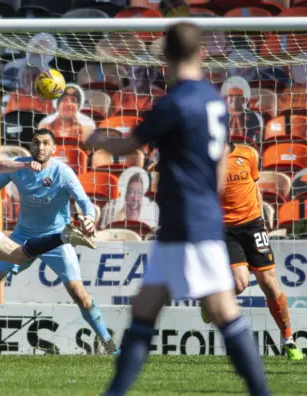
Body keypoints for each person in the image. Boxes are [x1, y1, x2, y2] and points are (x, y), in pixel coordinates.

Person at [91, 23, 269, 396]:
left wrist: (96, 138)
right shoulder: (213, 98)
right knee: (148, 307)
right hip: (195, 215)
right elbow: (220, 162)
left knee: (221, 312)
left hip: (185, 221)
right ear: (201, 52)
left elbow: (128, 148)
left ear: (164, 57)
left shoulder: (174, 102)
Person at [0, 129, 118, 355]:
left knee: (79, 294)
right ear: (31, 146)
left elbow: (85, 203)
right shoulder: (19, 167)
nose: (40, 147)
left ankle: (109, 343)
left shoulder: (63, 172)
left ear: (54, 149)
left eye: (46, 143)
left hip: (56, 240)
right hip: (22, 237)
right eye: (36, 143)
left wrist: (89, 218)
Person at [204, 142, 303, 360]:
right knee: (239, 284)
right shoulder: (206, 161)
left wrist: (263, 220)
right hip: (226, 230)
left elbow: (254, 187)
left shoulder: (248, 154)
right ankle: (211, 300)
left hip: (253, 225)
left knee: (269, 282)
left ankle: (288, 340)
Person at [220, 76, 263, 144]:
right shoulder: (220, 115)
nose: (234, 100)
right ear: (225, 98)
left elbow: (257, 142)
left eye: (238, 96)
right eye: (231, 96)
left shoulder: (254, 117)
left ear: (244, 99)